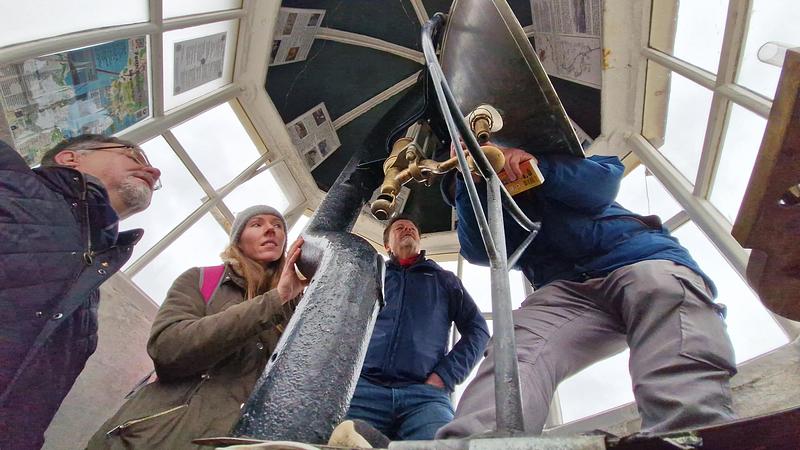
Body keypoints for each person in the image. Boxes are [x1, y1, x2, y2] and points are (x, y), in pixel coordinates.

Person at [436, 146, 737, 438]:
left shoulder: (557, 163)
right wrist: (467, 181)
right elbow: (482, 251)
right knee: (516, 345)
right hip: (563, 290)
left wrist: (541, 166)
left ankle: (689, 430)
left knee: (662, 293)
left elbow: (601, 184)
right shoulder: (500, 216)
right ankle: (482, 440)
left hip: (637, 257)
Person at [87, 205, 307, 449]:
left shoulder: (295, 309)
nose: (271, 230)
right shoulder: (200, 279)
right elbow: (167, 349)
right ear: (238, 242)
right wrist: (275, 300)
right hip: (150, 439)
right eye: (257, 224)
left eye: (277, 226)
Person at [0, 135, 162, 449]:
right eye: (134, 155)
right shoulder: (11, 177)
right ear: (70, 159)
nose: (153, 172)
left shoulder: (87, 316)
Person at [340, 216, 490, 441]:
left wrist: (445, 375)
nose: (407, 230)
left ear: (420, 242)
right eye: (399, 228)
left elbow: (478, 330)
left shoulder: (445, 280)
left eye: (412, 229)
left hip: (424, 397)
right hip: (363, 390)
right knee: (339, 441)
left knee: (442, 445)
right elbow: (342, 323)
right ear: (387, 245)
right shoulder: (370, 277)